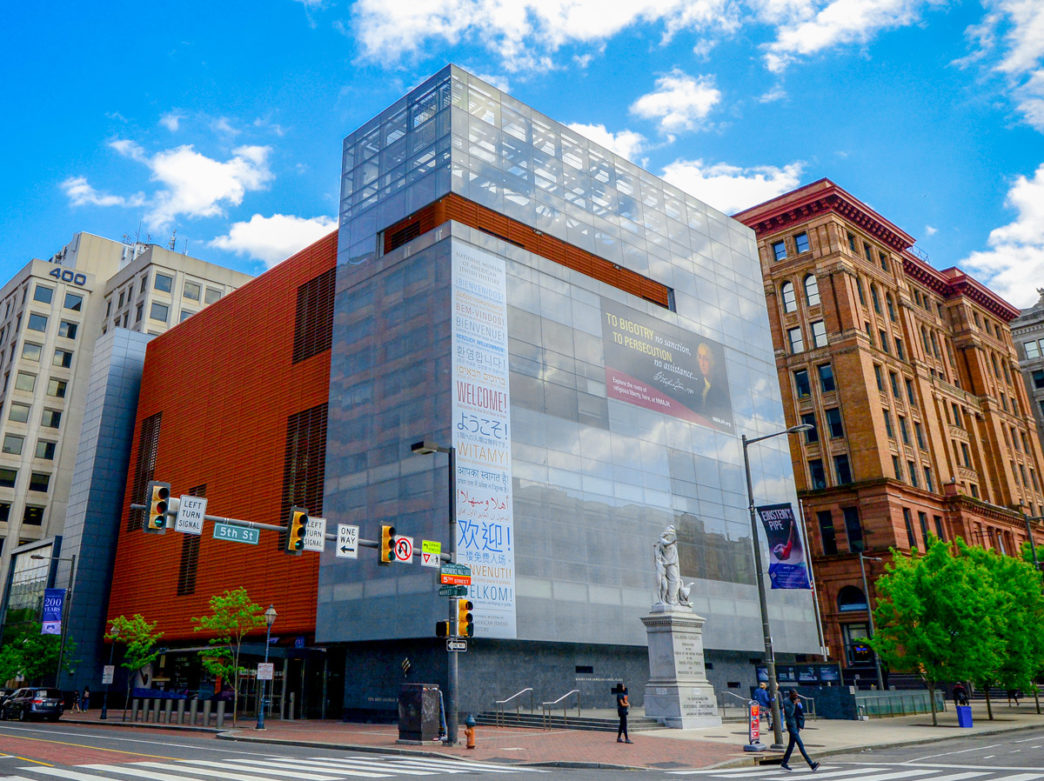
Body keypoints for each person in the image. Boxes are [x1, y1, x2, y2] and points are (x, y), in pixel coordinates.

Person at [781, 690, 819, 772]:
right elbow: (790, 714)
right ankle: (811, 764)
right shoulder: (786, 702)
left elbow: (800, 712)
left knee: (791, 745)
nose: (796, 697)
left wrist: (799, 706)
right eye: (794, 695)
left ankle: (784, 762)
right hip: (791, 725)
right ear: (791, 695)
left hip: (796, 725)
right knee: (800, 745)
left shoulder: (795, 700)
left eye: (796, 695)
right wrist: (794, 705)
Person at [696, 342, 729, 424]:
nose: (702, 363)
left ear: (713, 362)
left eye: (706, 359)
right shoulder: (697, 387)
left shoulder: (720, 392)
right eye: (700, 358)